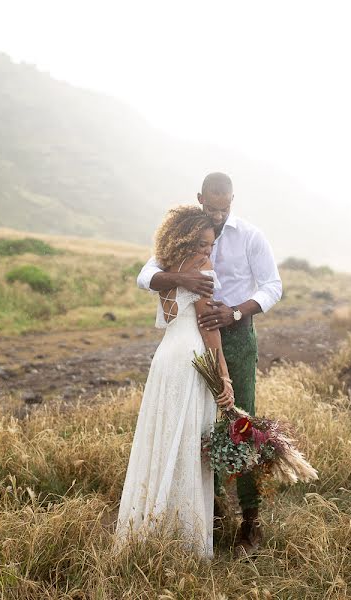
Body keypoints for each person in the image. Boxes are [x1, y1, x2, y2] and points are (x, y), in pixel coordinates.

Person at [136, 172, 283, 557]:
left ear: (233, 200)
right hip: (195, 341)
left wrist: (234, 313)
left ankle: (251, 521)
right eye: (212, 207)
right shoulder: (187, 234)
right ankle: (212, 514)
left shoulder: (250, 236)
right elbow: (146, 275)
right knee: (200, 425)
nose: (218, 215)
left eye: (225, 207)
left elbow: (272, 287)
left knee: (241, 421)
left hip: (235, 334)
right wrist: (184, 277)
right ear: (200, 198)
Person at [114, 206, 235, 560]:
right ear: (187, 239)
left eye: (211, 247)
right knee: (186, 445)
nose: (207, 253)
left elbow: (165, 306)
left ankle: (149, 529)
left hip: (166, 358)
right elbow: (209, 327)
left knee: (163, 439)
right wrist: (223, 376)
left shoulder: (166, 267)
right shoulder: (201, 272)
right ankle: (184, 542)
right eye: (202, 244)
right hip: (191, 360)